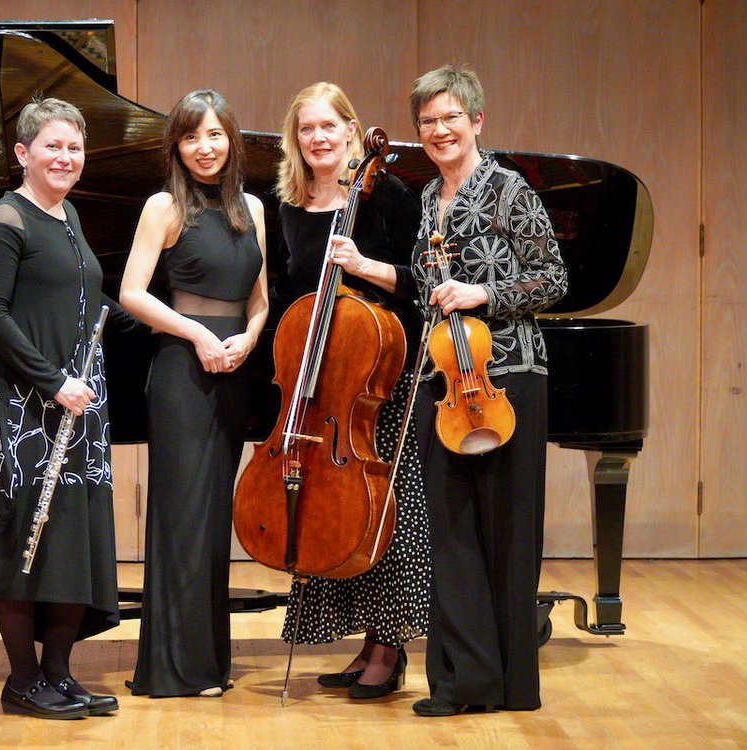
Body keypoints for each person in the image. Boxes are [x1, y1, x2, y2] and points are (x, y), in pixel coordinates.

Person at [0, 97, 131, 720]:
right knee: (17, 536)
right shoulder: (5, 221)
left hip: (73, 404)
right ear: (21, 154)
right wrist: (54, 382)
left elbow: (89, 301)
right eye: (52, 145)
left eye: (74, 147)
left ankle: (58, 674)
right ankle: (22, 681)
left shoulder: (69, 214)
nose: (66, 157)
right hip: (13, 406)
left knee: (68, 537)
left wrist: (178, 325)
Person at [406, 66, 568, 716]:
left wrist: (485, 293)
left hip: (507, 377)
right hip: (442, 380)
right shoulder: (426, 198)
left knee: (506, 529)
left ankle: (507, 685)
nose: (439, 130)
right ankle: (461, 682)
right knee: (450, 531)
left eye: (451, 117)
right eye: (428, 121)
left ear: (477, 121)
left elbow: (553, 276)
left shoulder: (508, 190)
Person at [269, 82, 429, 700]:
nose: (318, 138)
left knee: (386, 519)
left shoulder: (386, 194)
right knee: (332, 518)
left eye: (328, 127)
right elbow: (288, 297)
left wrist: (360, 264)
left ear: (351, 130)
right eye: (306, 129)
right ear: (296, 139)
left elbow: (419, 284)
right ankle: (364, 644)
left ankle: (390, 651)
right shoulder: (288, 204)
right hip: (317, 388)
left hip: (376, 382)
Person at [120, 90, 268, 697]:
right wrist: (200, 335)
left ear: (231, 139)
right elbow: (132, 292)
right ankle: (173, 669)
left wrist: (251, 339)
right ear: (175, 147)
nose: (204, 148)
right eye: (190, 137)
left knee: (213, 522)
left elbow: (261, 295)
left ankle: (208, 664)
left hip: (236, 366)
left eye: (214, 135)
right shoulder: (163, 205)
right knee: (181, 518)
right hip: (183, 367)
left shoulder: (251, 206)